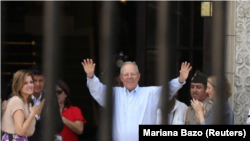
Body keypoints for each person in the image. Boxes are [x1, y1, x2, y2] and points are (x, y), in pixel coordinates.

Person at [81, 58, 192, 141]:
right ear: (121, 78)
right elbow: (98, 90)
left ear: (138, 76)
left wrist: (180, 79)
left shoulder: (150, 93)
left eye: (132, 74)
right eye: (126, 74)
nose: (129, 77)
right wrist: (91, 76)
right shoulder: (114, 94)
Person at [1, 69, 38, 141]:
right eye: (25, 83)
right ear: (18, 85)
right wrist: (32, 114)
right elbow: (20, 131)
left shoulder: (24, 102)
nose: (30, 85)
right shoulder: (17, 101)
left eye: (31, 82)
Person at [28, 66, 64, 141]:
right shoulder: (22, 98)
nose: (38, 84)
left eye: (41, 80)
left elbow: (59, 127)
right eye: (35, 81)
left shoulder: (51, 98)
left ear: (45, 80)